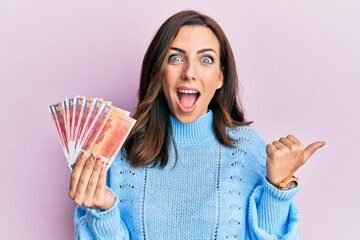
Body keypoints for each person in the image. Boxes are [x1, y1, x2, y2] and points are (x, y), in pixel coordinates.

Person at [69, 10, 325, 239]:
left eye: (206, 60)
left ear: (221, 77)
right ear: (158, 71)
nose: (189, 72)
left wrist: (278, 187)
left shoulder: (246, 147)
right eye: (175, 58)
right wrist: (103, 212)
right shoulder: (121, 151)